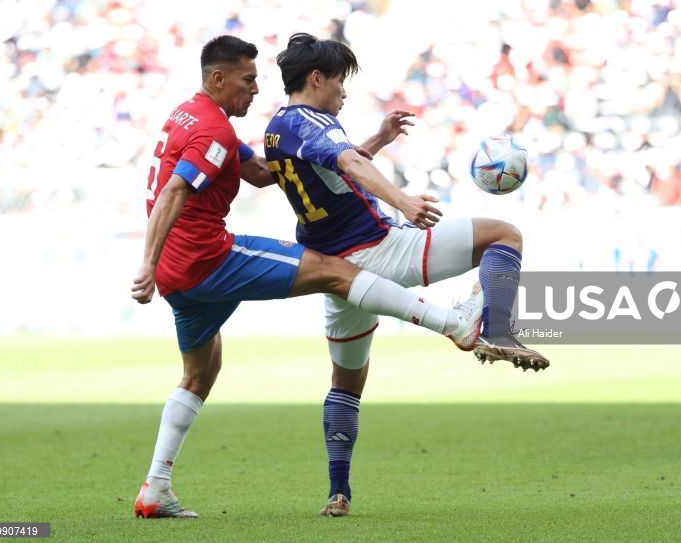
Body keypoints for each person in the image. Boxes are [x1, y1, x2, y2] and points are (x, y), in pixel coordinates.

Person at [131, 34, 488, 519]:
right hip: (203, 258)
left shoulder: (188, 115)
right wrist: (146, 264)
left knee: (200, 372)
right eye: (247, 79)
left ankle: (156, 487)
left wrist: (367, 145)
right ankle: (453, 323)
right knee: (335, 271)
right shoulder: (213, 131)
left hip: (180, 278)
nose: (257, 89)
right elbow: (175, 191)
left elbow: (265, 173)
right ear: (218, 77)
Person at [265, 32, 550, 517]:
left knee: (346, 383)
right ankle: (495, 329)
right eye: (339, 81)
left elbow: (335, 173)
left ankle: (338, 492)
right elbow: (348, 162)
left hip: (336, 270)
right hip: (381, 248)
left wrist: (378, 138)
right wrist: (404, 201)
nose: (343, 92)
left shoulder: (278, 129)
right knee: (504, 235)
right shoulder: (312, 121)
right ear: (316, 79)